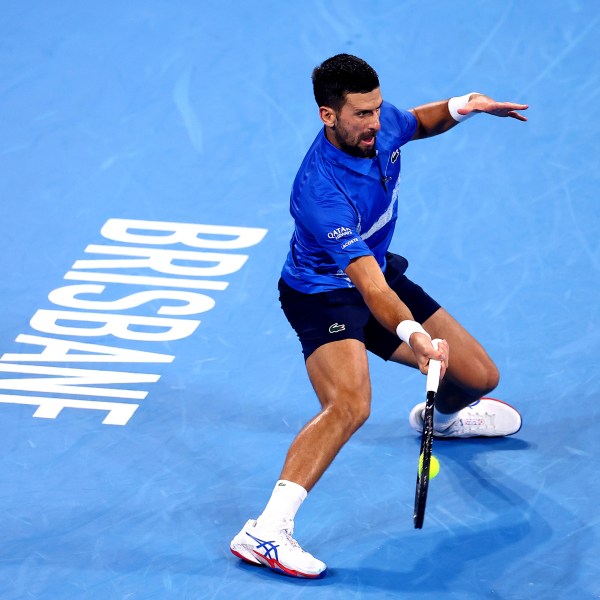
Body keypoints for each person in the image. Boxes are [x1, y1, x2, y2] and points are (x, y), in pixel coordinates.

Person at [230, 53, 528, 579]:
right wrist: (413, 336)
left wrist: (467, 106)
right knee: (349, 405)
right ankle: (266, 532)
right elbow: (366, 285)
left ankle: (446, 418)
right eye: (361, 114)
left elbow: (418, 122)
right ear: (328, 116)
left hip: (379, 277)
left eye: (375, 108)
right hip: (323, 295)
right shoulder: (319, 191)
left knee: (478, 377)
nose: (375, 121)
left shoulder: (379, 120)